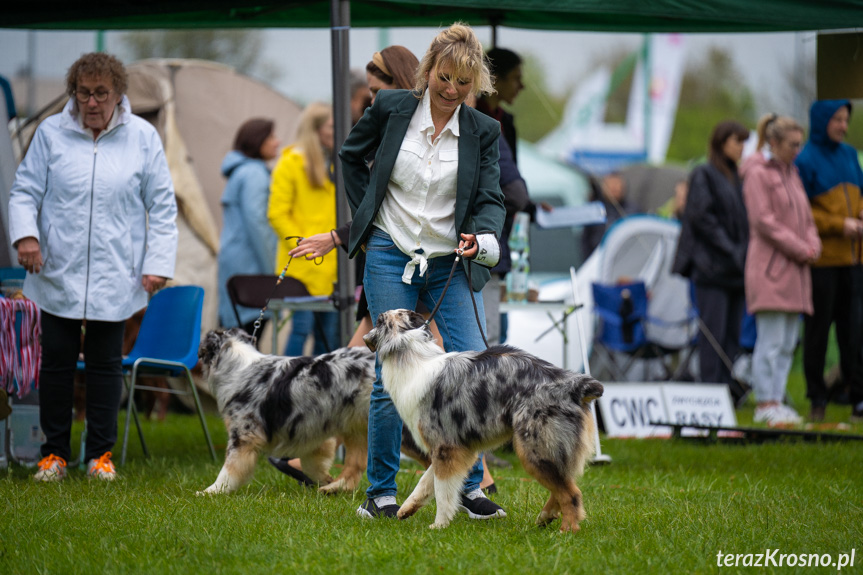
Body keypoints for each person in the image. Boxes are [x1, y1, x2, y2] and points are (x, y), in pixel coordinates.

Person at [339, 23, 506, 520]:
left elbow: (491, 198)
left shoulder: (484, 131)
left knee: (468, 367)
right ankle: (380, 492)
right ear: (428, 70)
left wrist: (480, 237)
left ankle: (470, 488)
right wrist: (365, 224)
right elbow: (351, 156)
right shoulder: (391, 109)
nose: (451, 89)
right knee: (393, 370)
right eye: (444, 76)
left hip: (449, 261)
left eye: (463, 82)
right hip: (390, 251)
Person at [8, 52, 178, 482]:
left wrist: (157, 263)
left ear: (118, 93)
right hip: (57, 268)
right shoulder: (51, 133)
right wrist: (26, 236)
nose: (92, 101)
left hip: (116, 270)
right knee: (57, 363)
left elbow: (161, 206)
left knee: (105, 364)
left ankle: (100, 455)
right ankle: (54, 455)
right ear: (73, 93)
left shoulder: (142, 136)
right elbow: (25, 191)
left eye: (101, 92)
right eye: (83, 92)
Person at [741, 114, 820, 426]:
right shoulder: (757, 173)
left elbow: (807, 218)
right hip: (771, 271)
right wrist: (802, 248)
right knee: (770, 342)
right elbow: (763, 220)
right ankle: (765, 403)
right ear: (774, 142)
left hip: (796, 273)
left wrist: (813, 242)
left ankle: (778, 397)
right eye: (792, 144)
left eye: (800, 144)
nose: (797, 150)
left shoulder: (793, 172)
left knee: (788, 343)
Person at [795, 99, 863, 423]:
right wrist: (840, 225)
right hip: (823, 262)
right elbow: (801, 211)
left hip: (854, 259)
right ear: (822, 120)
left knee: (855, 331)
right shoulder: (806, 159)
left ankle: (857, 396)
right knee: (819, 331)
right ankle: (817, 398)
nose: (843, 126)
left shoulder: (850, 155)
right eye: (837, 119)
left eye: (846, 119)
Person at [672, 120, 750, 395]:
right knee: (713, 335)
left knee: (731, 336)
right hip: (712, 270)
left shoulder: (736, 176)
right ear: (721, 143)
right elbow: (702, 218)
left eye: (744, 142)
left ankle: (724, 390)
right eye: (737, 141)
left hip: (735, 271)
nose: (742, 147)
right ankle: (709, 393)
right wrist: (731, 249)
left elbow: (742, 221)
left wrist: (741, 253)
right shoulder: (704, 173)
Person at [268, 102, 339, 356]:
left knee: (328, 334)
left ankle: (322, 392)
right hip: (302, 265)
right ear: (316, 129)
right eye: (332, 125)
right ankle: (284, 389)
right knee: (301, 329)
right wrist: (303, 246)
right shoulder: (290, 163)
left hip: (331, 265)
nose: (338, 129)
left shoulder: (335, 164)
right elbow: (277, 213)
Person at [217, 118, 280, 336]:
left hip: (236, 261)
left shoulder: (241, 171)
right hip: (251, 265)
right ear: (257, 141)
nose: (277, 142)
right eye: (271, 137)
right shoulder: (254, 174)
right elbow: (257, 223)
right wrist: (273, 271)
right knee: (247, 339)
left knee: (234, 339)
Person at [581, 172, 632, 260]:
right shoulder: (595, 209)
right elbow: (585, 239)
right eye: (610, 185)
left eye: (617, 184)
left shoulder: (632, 210)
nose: (614, 188)